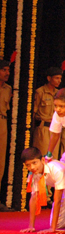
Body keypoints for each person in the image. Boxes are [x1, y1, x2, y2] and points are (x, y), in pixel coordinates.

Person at [32, 67, 62, 158]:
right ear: (49, 78)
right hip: (44, 128)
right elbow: (33, 112)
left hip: (55, 129)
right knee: (43, 156)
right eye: (56, 78)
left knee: (54, 158)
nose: (59, 81)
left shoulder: (59, 93)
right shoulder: (40, 92)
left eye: (60, 78)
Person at [0, 60, 13, 211]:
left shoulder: (8, 89)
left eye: (7, 70)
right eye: (3, 70)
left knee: (1, 162)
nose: (7, 73)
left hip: (2, 122)